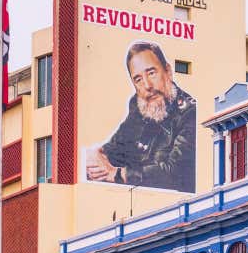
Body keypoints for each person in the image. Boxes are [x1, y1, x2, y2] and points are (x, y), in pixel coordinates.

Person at [84, 40, 196, 192]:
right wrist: (98, 156)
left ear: (168, 71)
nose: (148, 85)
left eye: (151, 73)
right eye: (138, 79)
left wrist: (118, 174)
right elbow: (117, 147)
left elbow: (173, 172)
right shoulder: (139, 106)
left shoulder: (189, 113)